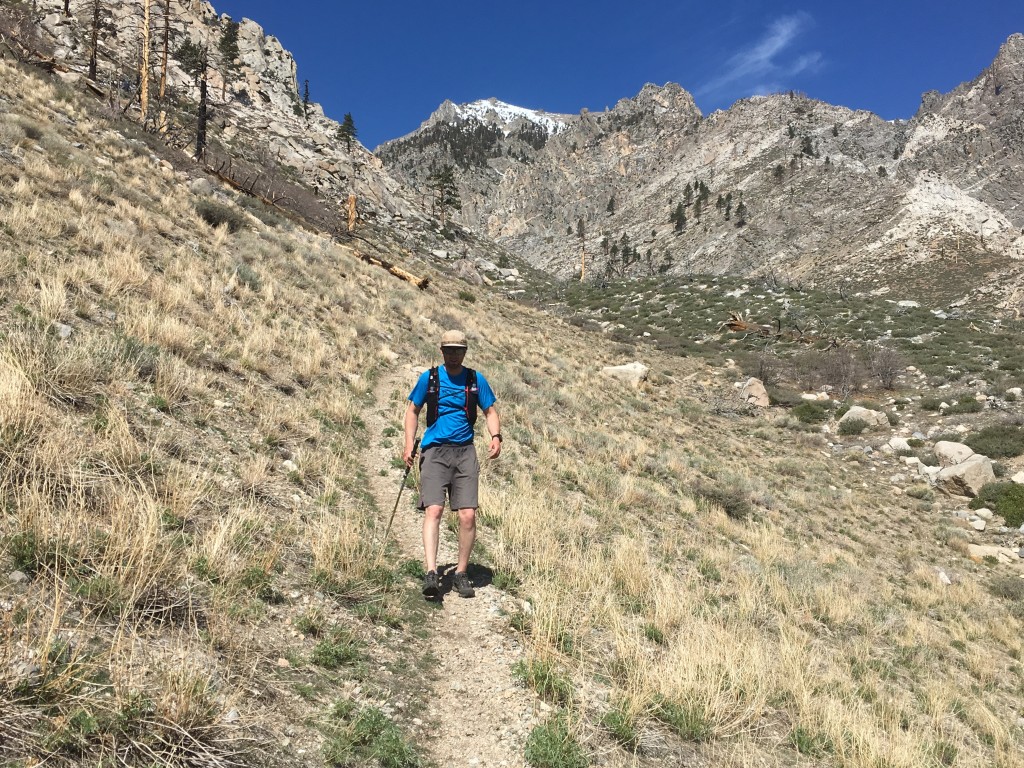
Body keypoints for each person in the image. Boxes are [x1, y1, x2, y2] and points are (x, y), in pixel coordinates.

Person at [403, 330, 501, 599]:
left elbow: (490, 411)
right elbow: (413, 409)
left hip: (465, 452)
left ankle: (460, 572)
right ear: (442, 350)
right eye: (449, 349)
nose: (454, 354)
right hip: (435, 451)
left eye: (458, 349)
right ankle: (432, 572)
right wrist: (409, 443)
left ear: (465, 352)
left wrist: (496, 436)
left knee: (467, 515)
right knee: (433, 510)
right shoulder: (430, 378)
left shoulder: (474, 379)